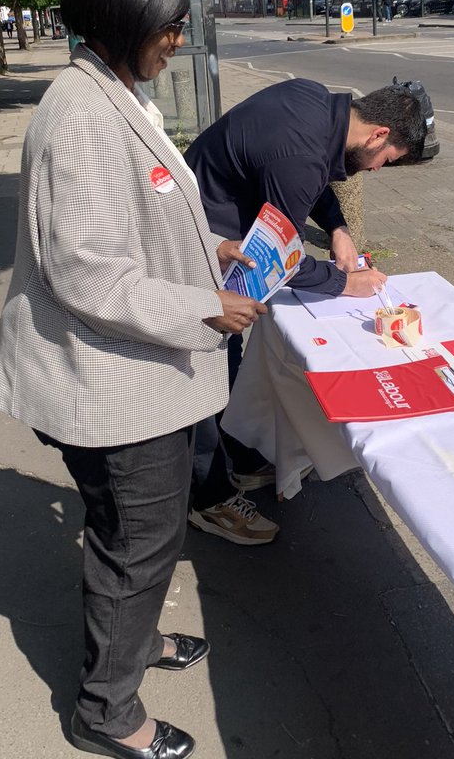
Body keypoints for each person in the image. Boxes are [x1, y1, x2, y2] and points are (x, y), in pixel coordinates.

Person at [0, 0, 265, 759]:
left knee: (134, 532)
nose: (177, 40)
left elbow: (140, 222)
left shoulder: (111, 92)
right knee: (138, 541)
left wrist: (212, 251)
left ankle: (134, 642)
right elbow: (89, 274)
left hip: (124, 375)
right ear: (120, 22)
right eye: (167, 27)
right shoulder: (81, 116)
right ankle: (107, 711)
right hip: (107, 388)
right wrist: (203, 307)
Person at [183, 78, 427, 536]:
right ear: (377, 134)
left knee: (228, 364)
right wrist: (345, 283)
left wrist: (338, 228)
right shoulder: (301, 152)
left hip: (218, 220)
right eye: (386, 159)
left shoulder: (315, 104)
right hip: (205, 244)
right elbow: (282, 259)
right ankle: (209, 498)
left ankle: (238, 460)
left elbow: (306, 179)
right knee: (207, 372)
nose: (377, 169)